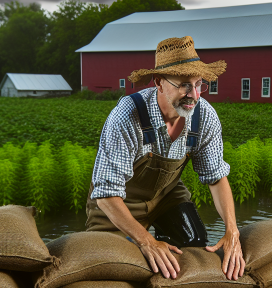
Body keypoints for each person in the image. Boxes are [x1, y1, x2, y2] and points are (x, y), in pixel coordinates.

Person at [85, 36, 245, 281]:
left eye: (198, 84)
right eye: (183, 85)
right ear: (159, 82)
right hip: (117, 202)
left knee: (194, 243)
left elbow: (216, 177)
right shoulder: (126, 117)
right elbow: (106, 194)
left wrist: (232, 231)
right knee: (112, 266)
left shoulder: (204, 117)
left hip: (166, 195)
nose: (194, 95)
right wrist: (147, 241)